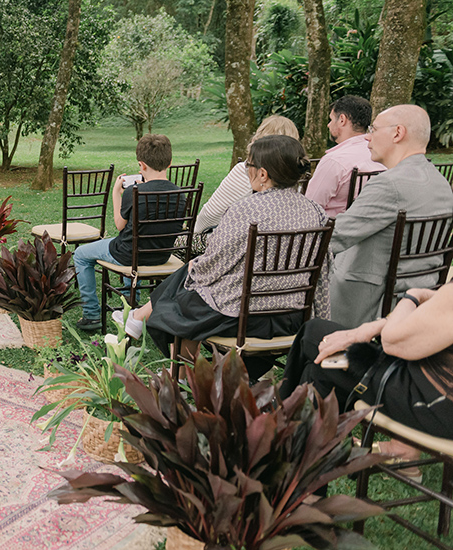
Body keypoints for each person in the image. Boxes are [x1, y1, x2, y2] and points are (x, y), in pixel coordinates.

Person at [116, 136, 330, 377]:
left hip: (242, 318)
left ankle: (185, 376)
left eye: (248, 165)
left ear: (262, 174)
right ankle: (201, 370)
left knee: (182, 298)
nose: (246, 170)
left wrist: (193, 270)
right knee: (188, 283)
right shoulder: (316, 211)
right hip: (291, 317)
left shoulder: (246, 209)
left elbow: (213, 265)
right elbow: (323, 273)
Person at [328, 105, 453, 328]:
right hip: (420, 296)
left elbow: (333, 237)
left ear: (397, 133)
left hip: (368, 303)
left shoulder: (388, 185)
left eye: (373, 129)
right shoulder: (441, 184)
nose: (367, 137)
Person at [283, 283, 453, 444]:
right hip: (438, 390)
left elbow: (392, 341)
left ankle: (279, 431)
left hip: (435, 402)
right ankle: (296, 441)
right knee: (321, 368)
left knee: (313, 334)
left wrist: (413, 295)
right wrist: (381, 324)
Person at [72, 134, 182, 332]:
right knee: (132, 243)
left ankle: (91, 314)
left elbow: (120, 225)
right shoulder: (181, 194)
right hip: (162, 255)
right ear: (170, 162)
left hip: (128, 254)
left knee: (80, 254)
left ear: (141, 165)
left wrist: (116, 193)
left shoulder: (134, 192)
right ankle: (131, 307)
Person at [194, 116, 298, 237]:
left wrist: (197, 233)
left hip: (230, 240)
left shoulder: (246, 172)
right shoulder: (298, 190)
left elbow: (210, 215)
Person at [305, 95, 385, 217]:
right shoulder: (381, 155)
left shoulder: (335, 160)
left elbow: (311, 206)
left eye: (331, 119)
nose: (328, 125)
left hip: (333, 230)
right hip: (372, 224)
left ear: (342, 119)